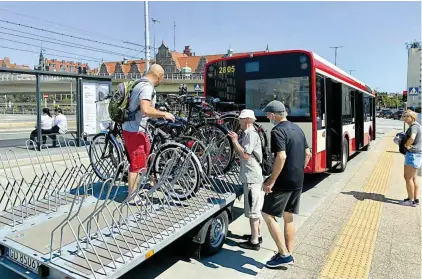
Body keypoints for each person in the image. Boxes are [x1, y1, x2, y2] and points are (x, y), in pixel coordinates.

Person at [260, 100, 312, 268]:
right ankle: (289, 252)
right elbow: (308, 153)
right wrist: (298, 170)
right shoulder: (297, 129)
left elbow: (281, 157)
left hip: (283, 181)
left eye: (268, 114)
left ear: (274, 114)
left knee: (267, 214)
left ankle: (283, 254)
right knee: (288, 217)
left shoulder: (277, 131)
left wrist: (271, 180)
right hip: (298, 180)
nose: (267, 117)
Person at [122, 64, 175, 197]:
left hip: (136, 129)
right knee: (137, 165)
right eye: (162, 78)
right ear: (159, 76)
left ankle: (152, 182)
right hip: (135, 131)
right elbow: (145, 109)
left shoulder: (138, 83)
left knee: (147, 157)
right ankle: (132, 197)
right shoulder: (147, 87)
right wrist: (164, 114)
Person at [228, 109, 264, 251]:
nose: (239, 121)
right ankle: (257, 235)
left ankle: (254, 241)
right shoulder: (252, 132)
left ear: (248, 120)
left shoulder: (250, 134)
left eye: (241, 119)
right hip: (255, 176)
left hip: (251, 177)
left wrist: (235, 141)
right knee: (256, 209)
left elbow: (245, 155)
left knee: (253, 211)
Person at [401, 109, 421, 207]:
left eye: (407, 116)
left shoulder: (414, 127)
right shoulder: (418, 126)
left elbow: (412, 138)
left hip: (412, 154)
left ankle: (411, 200)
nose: (404, 118)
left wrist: (406, 145)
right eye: (404, 116)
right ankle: (415, 199)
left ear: (412, 117)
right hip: (417, 154)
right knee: (413, 178)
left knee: (408, 177)